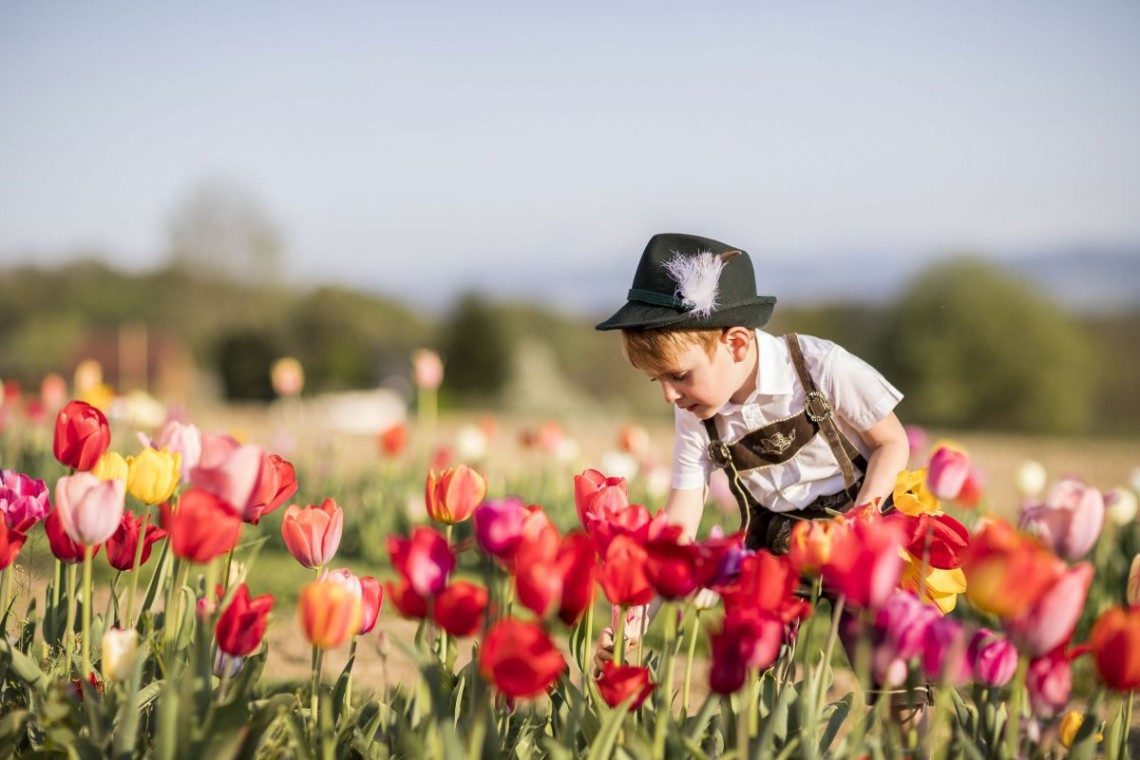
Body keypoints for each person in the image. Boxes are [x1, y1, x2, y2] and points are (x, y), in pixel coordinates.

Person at [592, 232, 910, 665]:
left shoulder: (819, 368)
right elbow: (680, 520)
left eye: (679, 376)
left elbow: (892, 442)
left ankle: (906, 718)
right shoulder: (696, 414)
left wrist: (866, 516)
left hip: (855, 525)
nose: (669, 396)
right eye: (658, 382)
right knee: (753, 668)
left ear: (737, 343)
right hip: (774, 538)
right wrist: (639, 611)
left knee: (891, 664)